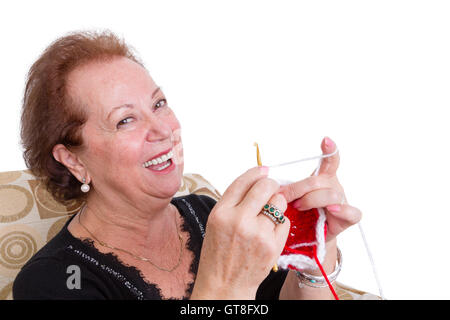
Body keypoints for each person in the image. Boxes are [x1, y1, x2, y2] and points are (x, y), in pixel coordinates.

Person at [12, 30, 362, 300]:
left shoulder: (205, 213)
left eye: (159, 103)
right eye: (125, 120)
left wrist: (314, 248)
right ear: (73, 159)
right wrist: (224, 283)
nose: (165, 129)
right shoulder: (54, 280)